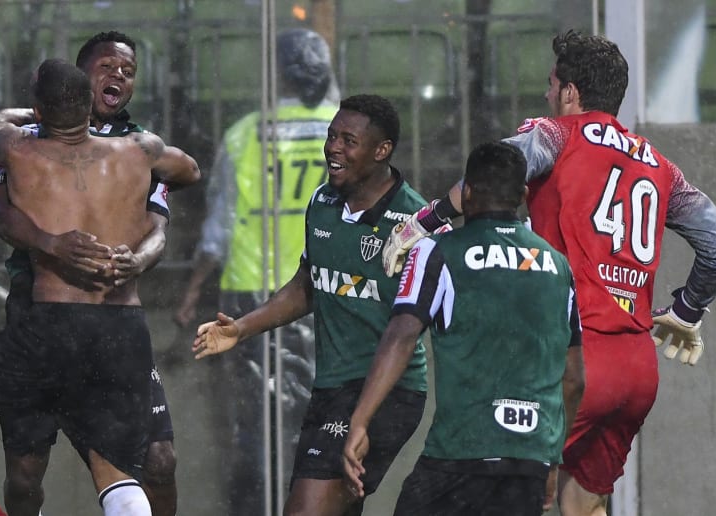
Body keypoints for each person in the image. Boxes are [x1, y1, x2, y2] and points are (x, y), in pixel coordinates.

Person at [381, 30, 716, 515]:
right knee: (583, 507)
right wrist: (687, 310)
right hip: (636, 370)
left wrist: (424, 222)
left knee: (502, 490)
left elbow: (493, 175)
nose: (548, 95)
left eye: (552, 85)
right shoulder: (660, 166)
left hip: (569, 359)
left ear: (570, 91)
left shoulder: (555, 134)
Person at [0, 59, 200, 516]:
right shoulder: (140, 150)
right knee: (115, 469)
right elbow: (190, 170)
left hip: (54, 326)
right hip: (124, 330)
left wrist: (34, 115)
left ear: (39, 108)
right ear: (88, 104)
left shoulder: (18, 151)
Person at [193, 94, 437, 516]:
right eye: (332, 136)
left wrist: (363, 415)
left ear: (382, 151)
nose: (334, 148)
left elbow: (408, 329)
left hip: (386, 393)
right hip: (330, 389)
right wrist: (241, 328)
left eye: (349, 140)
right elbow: (309, 283)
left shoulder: (414, 223)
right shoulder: (322, 203)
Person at [342, 141, 585, 516]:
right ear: (522, 195)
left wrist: (360, 420)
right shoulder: (557, 266)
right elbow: (573, 379)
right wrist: (551, 459)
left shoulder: (436, 252)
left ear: (466, 192)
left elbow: (402, 335)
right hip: (528, 460)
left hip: (458, 454)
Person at [172, 27, 338, 514]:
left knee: (257, 423)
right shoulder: (344, 128)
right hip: (321, 289)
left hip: (252, 294)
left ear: (276, 73)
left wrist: (193, 288)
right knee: (321, 414)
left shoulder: (246, 134)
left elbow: (220, 227)